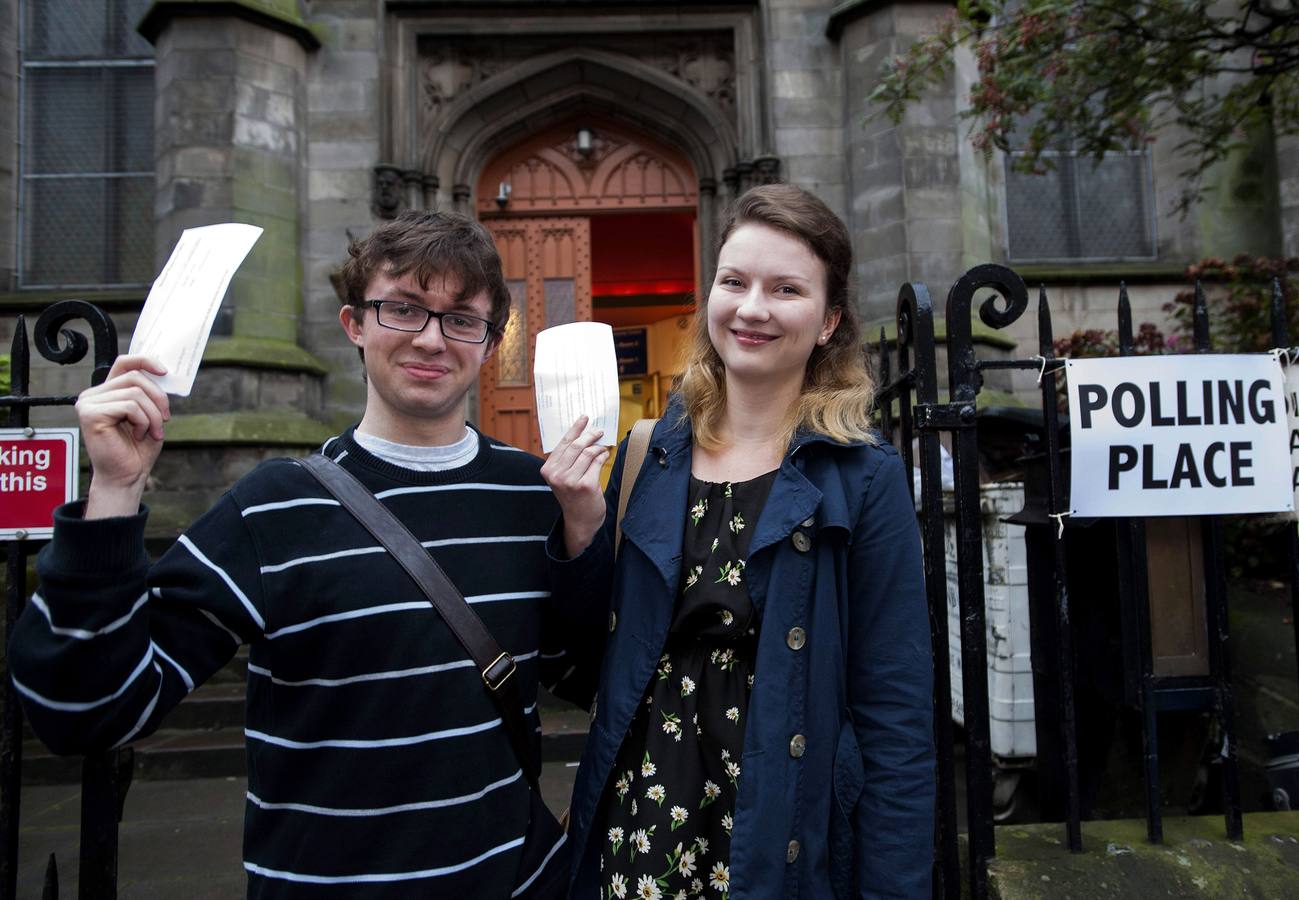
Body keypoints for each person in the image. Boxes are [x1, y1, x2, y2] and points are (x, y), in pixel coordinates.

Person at [8, 211, 599, 898]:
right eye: (403, 308)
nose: (431, 339)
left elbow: (587, 677)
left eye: (462, 319)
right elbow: (86, 709)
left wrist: (585, 535)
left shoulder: (533, 493)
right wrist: (114, 487)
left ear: (491, 342)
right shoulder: (271, 509)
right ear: (355, 323)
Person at [542, 184, 934, 898]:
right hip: (643, 816)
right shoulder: (648, 455)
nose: (752, 308)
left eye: (786, 288)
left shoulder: (863, 476)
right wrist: (580, 525)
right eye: (734, 282)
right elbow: (583, 659)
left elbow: (895, 715)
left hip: (780, 826)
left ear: (828, 321)